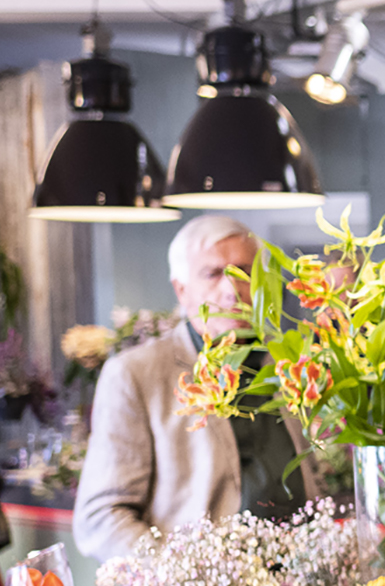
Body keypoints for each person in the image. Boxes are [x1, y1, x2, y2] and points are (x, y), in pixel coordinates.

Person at [75, 214, 319, 562]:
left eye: (245, 272)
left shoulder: (289, 362)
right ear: (182, 290)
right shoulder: (135, 375)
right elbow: (100, 518)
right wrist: (180, 582)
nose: (232, 289)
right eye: (214, 273)